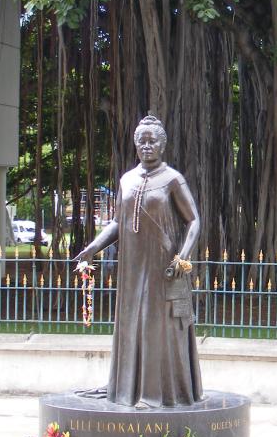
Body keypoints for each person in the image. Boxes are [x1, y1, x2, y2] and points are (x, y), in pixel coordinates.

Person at [74, 114, 203, 408]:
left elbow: (194, 220)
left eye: (152, 141)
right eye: (141, 141)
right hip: (132, 267)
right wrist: (93, 247)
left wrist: (182, 258)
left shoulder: (172, 179)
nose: (146, 146)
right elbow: (118, 222)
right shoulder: (127, 180)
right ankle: (125, 390)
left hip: (162, 267)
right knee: (132, 325)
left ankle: (155, 395)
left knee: (157, 327)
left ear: (162, 145)